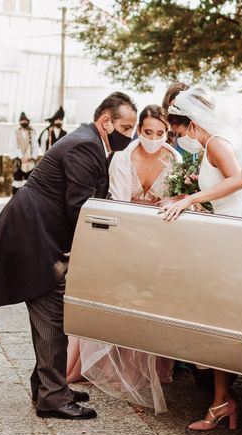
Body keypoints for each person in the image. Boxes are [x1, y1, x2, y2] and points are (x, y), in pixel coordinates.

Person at [0, 92, 137, 420]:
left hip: (34, 230)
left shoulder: (89, 141)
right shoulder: (85, 145)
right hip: (30, 234)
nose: (131, 134)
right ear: (106, 122)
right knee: (52, 309)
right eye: (126, 126)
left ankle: (48, 384)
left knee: (53, 311)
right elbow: (80, 207)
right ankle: (53, 395)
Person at [160, 86, 242, 431]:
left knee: (222, 318)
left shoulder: (215, 141)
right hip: (231, 225)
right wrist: (195, 199)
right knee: (221, 318)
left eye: (180, 131)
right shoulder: (221, 139)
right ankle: (220, 401)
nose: (181, 138)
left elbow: (237, 179)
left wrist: (189, 200)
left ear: (193, 123)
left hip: (239, 232)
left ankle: (221, 401)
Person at [73, 105, 180, 414]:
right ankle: (110, 366)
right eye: (147, 133)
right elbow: (118, 200)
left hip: (159, 240)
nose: (153, 139)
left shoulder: (174, 159)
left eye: (160, 134)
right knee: (122, 298)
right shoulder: (122, 158)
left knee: (150, 302)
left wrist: (170, 203)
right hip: (127, 235)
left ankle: (144, 369)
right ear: (138, 131)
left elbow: (177, 198)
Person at [9, 112, 38, 195]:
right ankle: (16, 204)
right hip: (19, 161)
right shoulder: (15, 133)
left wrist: (31, 157)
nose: (24, 122)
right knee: (17, 183)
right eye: (22, 121)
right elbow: (12, 147)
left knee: (29, 184)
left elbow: (35, 146)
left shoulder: (32, 133)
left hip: (30, 161)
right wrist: (21, 156)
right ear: (19, 122)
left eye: (25, 120)